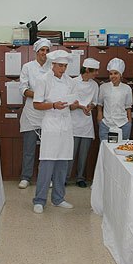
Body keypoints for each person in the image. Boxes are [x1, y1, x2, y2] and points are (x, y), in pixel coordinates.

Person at [32, 50, 77, 213]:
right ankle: (39, 200)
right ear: (53, 65)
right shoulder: (43, 80)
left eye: (65, 66)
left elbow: (71, 104)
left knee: (62, 162)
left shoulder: (70, 82)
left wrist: (75, 104)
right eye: (60, 66)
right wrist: (53, 105)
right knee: (47, 162)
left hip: (65, 125)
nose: (63, 69)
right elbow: (36, 104)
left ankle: (58, 198)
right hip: (51, 124)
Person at [18, 38, 51, 189]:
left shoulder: (53, 67)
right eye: (42, 50)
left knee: (47, 150)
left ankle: (46, 178)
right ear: (37, 51)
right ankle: (26, 177)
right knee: (29, 149)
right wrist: (39, 95)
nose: (44, 53)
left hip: (47, 113)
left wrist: (43, 97)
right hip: (31, 114)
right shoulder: (27, 67)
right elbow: (23, 89)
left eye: (47, 50)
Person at [68, 58, 100, 188]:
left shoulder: (94, 85)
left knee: (83, 153)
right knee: (71, 153)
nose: (97, 73)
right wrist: (81, 106)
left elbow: (95, 101)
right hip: (74, 122)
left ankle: (80, 177)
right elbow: (69, 102)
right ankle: (65, 177)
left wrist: (90, 106)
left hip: (86, 124)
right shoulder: (73, 82)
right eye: (95, 71)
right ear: (87, 70)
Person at [97, 58, 132, 141]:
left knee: (123, 148)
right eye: (111, 74)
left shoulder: (127, 88)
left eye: (116, 73)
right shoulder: (103, 87)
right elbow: (100, 104)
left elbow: (128, 107)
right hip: (106, 124)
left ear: (121, 74)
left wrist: (129, 121)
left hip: (123, 123)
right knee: (105, 149)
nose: (113, 76)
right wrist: (100, 117)